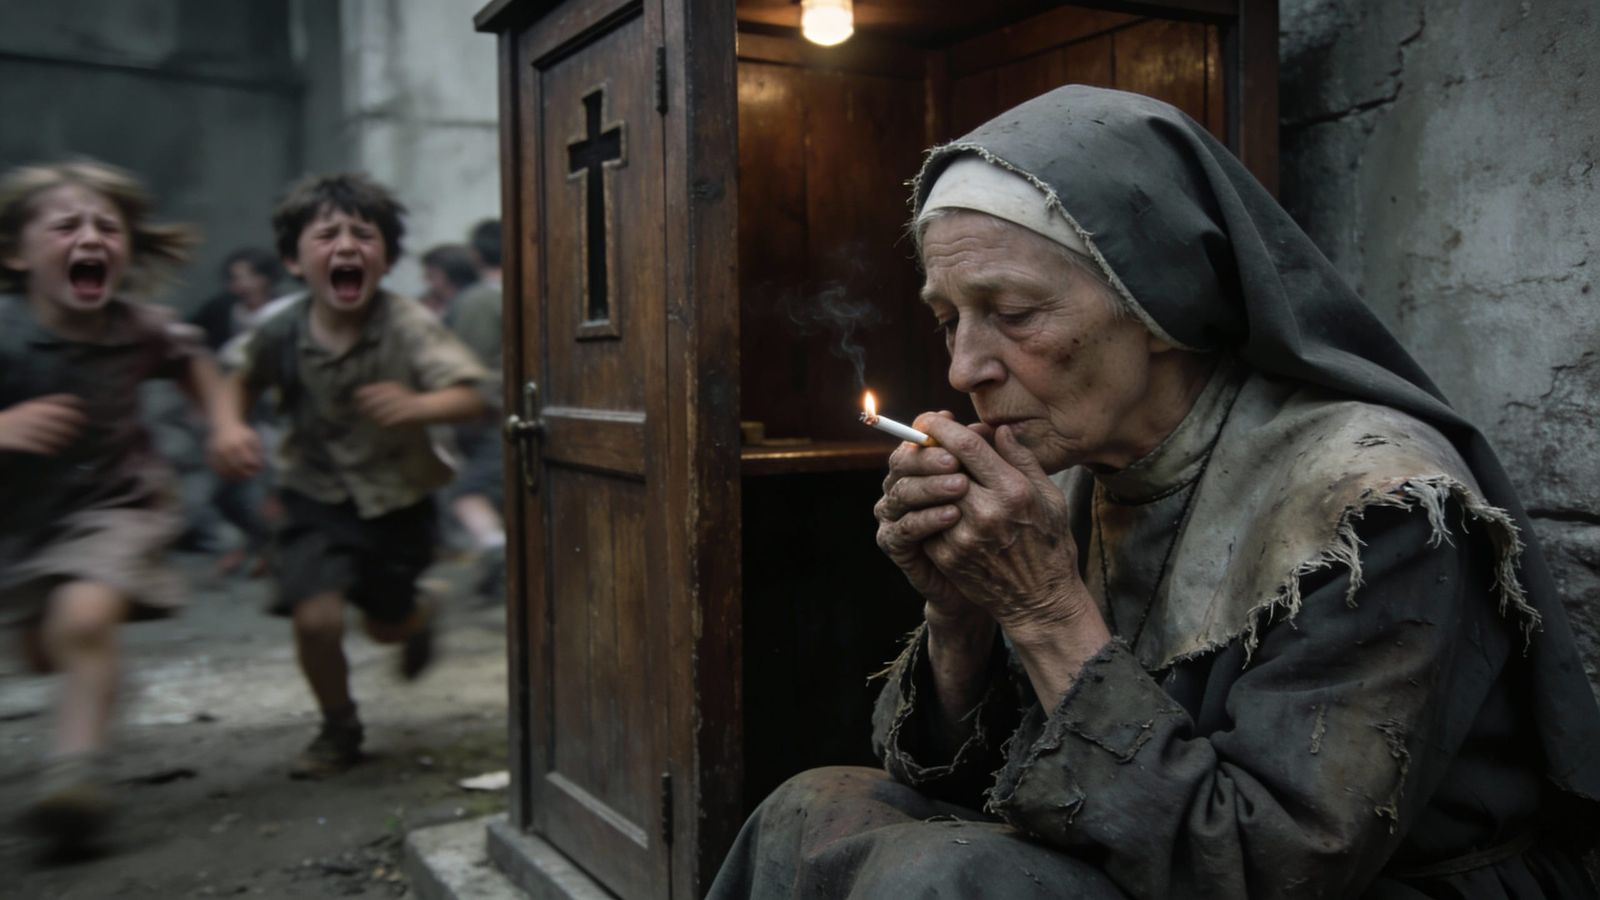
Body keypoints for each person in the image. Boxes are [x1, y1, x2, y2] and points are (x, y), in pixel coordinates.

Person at [710, 86, 1600, 898]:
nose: (963, 367)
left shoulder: (1373, 507)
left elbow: (1262, 870)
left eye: (1013, 314)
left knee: (951, 878)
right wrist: (962, 614)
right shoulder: (1066, 468)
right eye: (948, 319)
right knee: (805, 814)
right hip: (1152, 858)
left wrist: (1046, 610)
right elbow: (950, 780)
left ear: (1161, 302)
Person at [208, 173, 489, 780]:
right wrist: (229, 427)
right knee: (317, 617)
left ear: (385, 258)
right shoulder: (280, 328)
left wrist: (419, 406)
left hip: (397, 498)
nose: (346, 246)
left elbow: (474, 395)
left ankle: (421, 611)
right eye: (326, 235)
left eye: (363, 235)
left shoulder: (408, 323)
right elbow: (240, 377)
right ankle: (339, 725)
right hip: (313, 494)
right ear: (292, 258)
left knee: (387, 628)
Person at [0, 159, 231, 849]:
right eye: (67, 225)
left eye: (108, 226)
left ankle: (73, 781)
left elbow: (191, 360)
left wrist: (224, 423)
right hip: (21, 523)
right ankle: (100, 685)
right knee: (50, 652)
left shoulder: (139, 327)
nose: (91, 237)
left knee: (84, 617)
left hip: (117, 500)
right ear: (15, 252)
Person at [188, 247, 286, 577]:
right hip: (230, 409)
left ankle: (270, 548)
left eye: (249, 275)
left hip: (275, 412)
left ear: (267, 278)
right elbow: (190, 345)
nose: (241, 284)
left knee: (272, 482)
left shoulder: (285, 313)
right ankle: (252, 544)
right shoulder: (222, 309)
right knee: (226, 487)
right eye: (234, 277)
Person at [425, 229, 507, 600]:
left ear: (477, 256)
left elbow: (467, 368)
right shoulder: (532, 288)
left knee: (468, 494)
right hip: (511, 409)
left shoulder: (477, 301)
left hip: (492, 416)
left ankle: (497, 553)